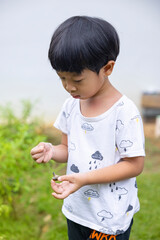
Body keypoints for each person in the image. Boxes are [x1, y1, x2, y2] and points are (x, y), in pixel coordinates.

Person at [30, 16, 145, 240]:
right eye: (61, 78)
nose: (69, 86)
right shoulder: (71, 104)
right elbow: (67, 147)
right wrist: (52, 151)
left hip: (108, 219)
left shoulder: (124, 113)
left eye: (77, 79)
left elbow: (134, 164)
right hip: (77, 210)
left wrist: (84, 179)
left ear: (108, 68)